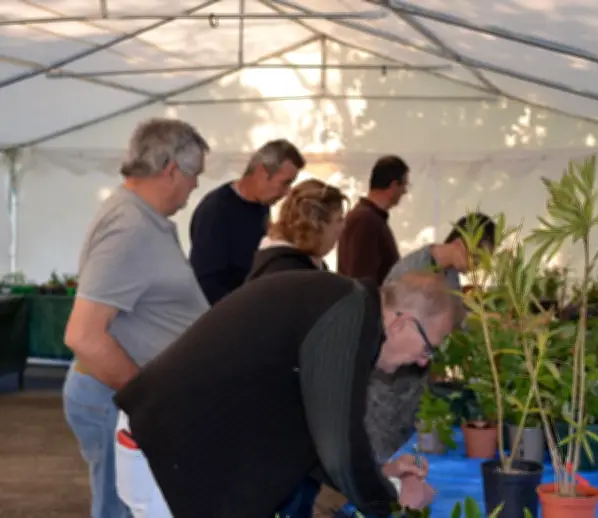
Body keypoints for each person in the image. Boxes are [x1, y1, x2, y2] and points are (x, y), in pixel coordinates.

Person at [112, 270, 459, 518]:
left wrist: (379, 473)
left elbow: (318, 437)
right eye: (428, 348)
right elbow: (338, 449)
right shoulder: (348, 315)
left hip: (179, 451)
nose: (423, 361)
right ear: (401, 323)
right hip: (168, 453)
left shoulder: (346, 309)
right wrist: (394, 502)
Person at [62, 118, 212, 518]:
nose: (195, 186)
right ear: (170, 170)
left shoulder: (143, 217)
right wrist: (146, 398)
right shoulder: (129, 226)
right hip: (115, 401)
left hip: (125, 400)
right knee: (120, 509)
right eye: (194, 174)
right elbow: (84, 336)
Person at [366, 213, 497, 461]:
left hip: (414, 386)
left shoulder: (450, 277)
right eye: (478, 257)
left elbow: (455, 324)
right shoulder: (412, 270)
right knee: (383, 457)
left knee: (404, 454)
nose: (478, 266)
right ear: (460, 243)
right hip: (387, 388)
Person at [189, 139, 305, 305]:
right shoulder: (216, 210)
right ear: (262, 173)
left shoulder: (262, 207)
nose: (286, 192)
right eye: (285, 183)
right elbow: (206, 281)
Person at [246, 179, 347, 279]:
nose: (343, 226)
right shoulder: (289, 273)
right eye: (339, 219)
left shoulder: (288, 262)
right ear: (315, 225)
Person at [337, 155, 409, 284]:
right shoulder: (365, 220)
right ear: (393, 186)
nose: (405, 191)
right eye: (404, 184)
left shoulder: (369, 218)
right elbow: (360, 276)